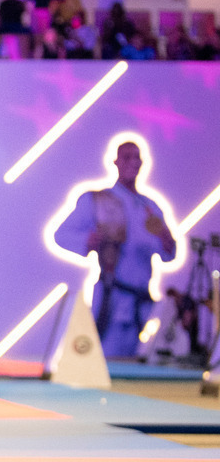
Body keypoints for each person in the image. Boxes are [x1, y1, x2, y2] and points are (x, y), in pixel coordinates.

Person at [54, 141, 177, 357]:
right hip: (113, 295)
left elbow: (168, 254)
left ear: (142, 163)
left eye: (136, 157)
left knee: (137, 364)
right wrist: (87, 240)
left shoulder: (151, 208)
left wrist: (169, 244)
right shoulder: (99, 199)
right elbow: (62, 235)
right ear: (116, 162)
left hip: (142, 299)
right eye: (126, 157)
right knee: (105, 359)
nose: (132, 162)